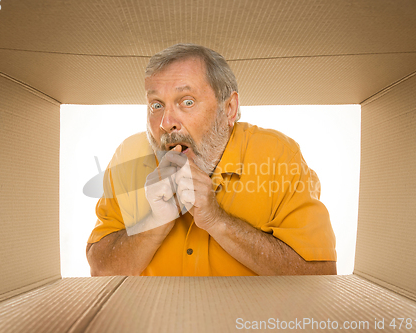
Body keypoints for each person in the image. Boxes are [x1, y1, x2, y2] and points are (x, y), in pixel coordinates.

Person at [86, 43, 337, 276]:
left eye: (187, 101)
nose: (166, 123)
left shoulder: (279, 156)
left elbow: (321, 275)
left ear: (228, 109)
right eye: (156, 105)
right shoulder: (128, 155)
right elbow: (99, 269)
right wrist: (154, 223)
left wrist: (217, 220)